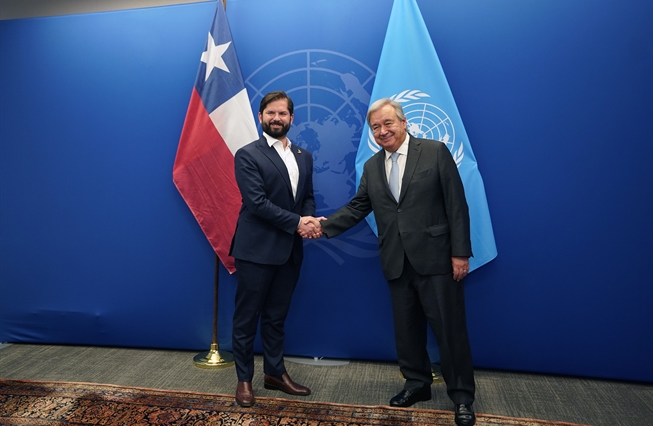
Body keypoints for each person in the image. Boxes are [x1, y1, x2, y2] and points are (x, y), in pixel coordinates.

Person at [313, 98, 477, 426]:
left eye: (388, 123)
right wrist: (323, 226)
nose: (383, 131)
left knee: (450, 331)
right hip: (396, 261)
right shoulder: (372, 166)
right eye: (376, 127)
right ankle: (417, 384)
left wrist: (460, 253)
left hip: (436, 260)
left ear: (403, 123)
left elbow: (456, 204)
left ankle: (461, 397)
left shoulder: (434, 152)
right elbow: (358, 207)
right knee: (407, 331)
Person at [229, 91, 320, 408]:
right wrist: (298, 223)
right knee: (246, 318)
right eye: (271, 113)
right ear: (261, 117)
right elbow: (256, 203)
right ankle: (244, 380)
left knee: (276, 317)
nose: (276, 118)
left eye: (282, 113)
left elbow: (307, 197)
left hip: (290, 252)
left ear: (291, 118)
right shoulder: (247, 154)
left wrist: (308, 219)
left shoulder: (304, 156)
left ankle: (274, 374)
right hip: (256, 250)